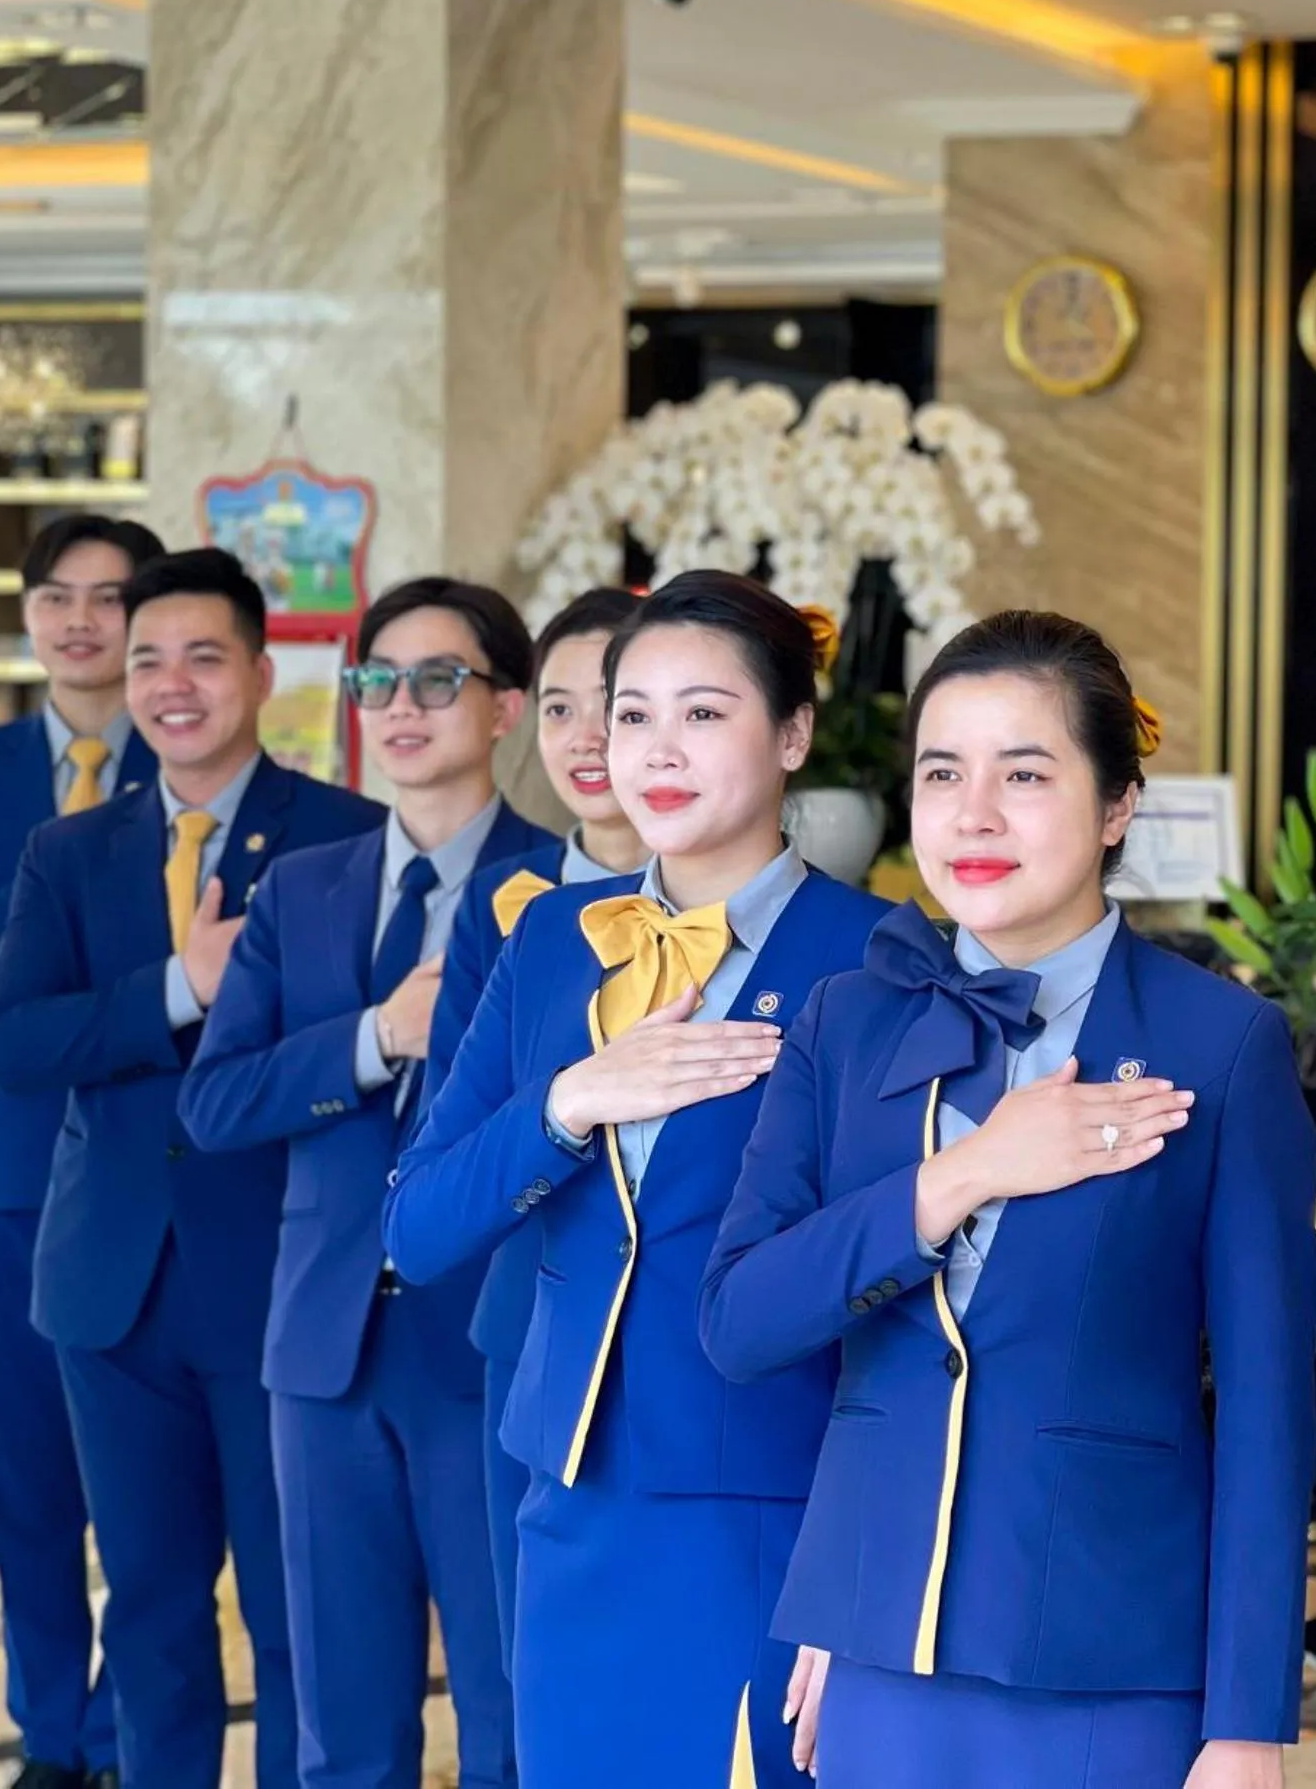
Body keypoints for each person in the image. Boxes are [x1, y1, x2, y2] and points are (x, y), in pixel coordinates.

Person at [700, 610, 1316, 1789]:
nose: (972, 814)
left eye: (1024, 774)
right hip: (881, 1651)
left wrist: (1249, 1725)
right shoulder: (846, 1018)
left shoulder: (1222, 1043)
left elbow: (1266, 1411)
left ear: (1117, 805)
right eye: (943, 772)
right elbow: (740, 1321)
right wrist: (963, 1174)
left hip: (1109, 1659)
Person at [382, 571, 886, 1785]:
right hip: (568, 1498)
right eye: (633, 713)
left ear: (795, 734)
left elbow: (905, 1293)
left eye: (705, 714)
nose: (657, 750)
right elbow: (416, 1222)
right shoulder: (552, 937)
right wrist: (568, 1103)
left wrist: (859, 1567)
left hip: (767, 1508)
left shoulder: (877, 958)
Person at [0, 548, 384, 1789]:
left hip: (275, 1283)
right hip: (108, 1291)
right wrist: (175, 988)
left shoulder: (344, 837)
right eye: (148, 659)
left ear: (262, 673)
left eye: (203, 656)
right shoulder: (70, 851)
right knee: (149, 1612)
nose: (171, 684)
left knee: (295, 1614)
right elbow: (14, 1037)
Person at [179, 578, 553, 1789]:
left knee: (504, 1702)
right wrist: (373, 1038)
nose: (401, 707)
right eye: (376, 681)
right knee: (340, 1710)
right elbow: (216, 1100)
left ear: (506, 709)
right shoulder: (303, 886)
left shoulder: (569, 893)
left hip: (488, 1348)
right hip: (322, 1344)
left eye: (438, 680)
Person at [0, 513, 162, 1789]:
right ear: (29, 617)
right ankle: (52, 1739)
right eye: (56, 597)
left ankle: (131, 1731)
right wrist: (39, 886)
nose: (81, 622)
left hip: (159, 1161)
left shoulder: (187, 770)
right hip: (15, 1163)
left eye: (109, 598)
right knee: (22, 1474)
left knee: (146, 1477)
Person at [416, 585, 648, 1677]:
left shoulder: (793, 920)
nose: (589, 738)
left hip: (710, 1346)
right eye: (560, 709)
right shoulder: (508, 906)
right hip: (531, 1328)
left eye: (622, 704)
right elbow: (449, 1146)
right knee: (527, 1672)